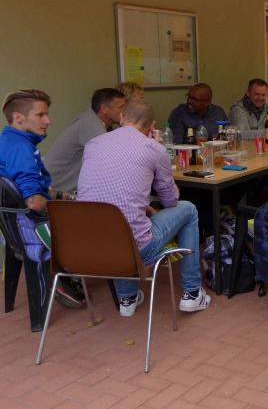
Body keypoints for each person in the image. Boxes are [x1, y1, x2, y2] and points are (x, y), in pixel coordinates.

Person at [78, 100, 211, 317]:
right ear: (152, 125)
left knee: (117, 224)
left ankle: (127, 297)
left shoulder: (93, 143)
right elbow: (170, 201)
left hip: (92, 247)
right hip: (137, 249)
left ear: (122, 117)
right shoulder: (154, 148)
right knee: (188, 209)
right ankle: (192, 293)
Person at [0, 89, 85, 308]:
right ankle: (61, 275)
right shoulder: (21, 150)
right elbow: (35, 202)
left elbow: (35, 190)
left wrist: (68, 196)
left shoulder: (8, 141)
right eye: (41, 115)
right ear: (18, 117)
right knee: (104, 221)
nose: (48, 121)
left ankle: (63, 275)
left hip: (14, 230)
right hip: (34, 229)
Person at [44, 88, 126, 195]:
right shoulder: (90, 124)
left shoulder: (95, 121)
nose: (125, 111)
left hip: (60, 186)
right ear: (104, 109)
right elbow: (113, 160)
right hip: (56, 190)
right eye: (121, 107)